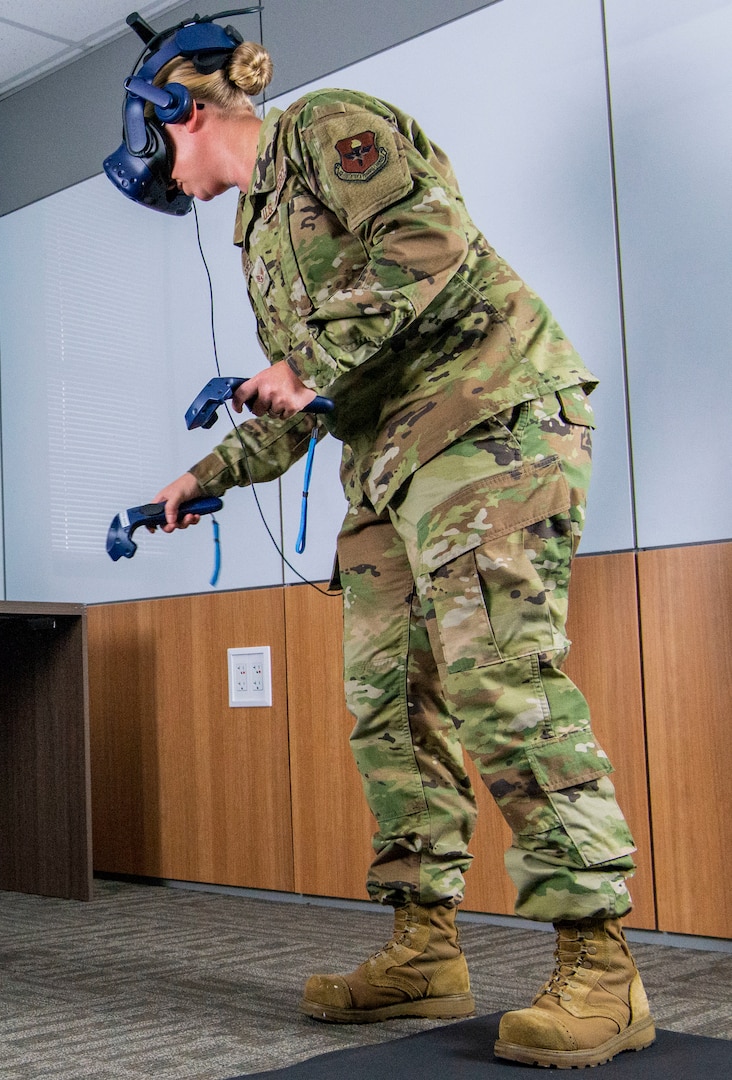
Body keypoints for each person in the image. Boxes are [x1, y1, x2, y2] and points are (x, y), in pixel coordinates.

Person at [141, 36, 654, 1070]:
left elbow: (429, 240)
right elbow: (310, 392)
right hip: (387, 467)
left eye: (158, 144)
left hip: (485, 418)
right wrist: (205, 477)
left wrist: (303, 359)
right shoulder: (258, 237)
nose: (161, 177)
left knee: (498, 679)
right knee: (387, 704)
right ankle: (425, 949)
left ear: (177, 111)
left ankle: (603, 967)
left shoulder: (327, 129)